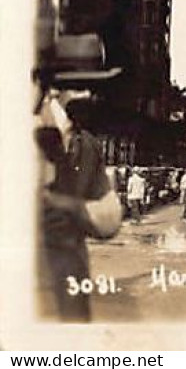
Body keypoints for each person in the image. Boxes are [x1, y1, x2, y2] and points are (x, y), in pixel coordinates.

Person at [34, 34, 123, 322]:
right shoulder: (27, 134)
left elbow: (110, 220)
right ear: (55, 88)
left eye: (96, 87)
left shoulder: (89, 145)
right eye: (82, 86)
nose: (92, 96)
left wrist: (65, 206)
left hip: (73, 295)